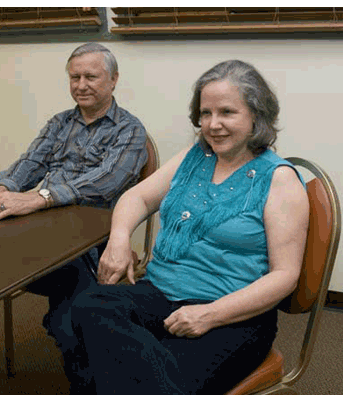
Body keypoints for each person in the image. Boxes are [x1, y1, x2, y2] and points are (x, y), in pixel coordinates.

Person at [45, 60, 310, 395]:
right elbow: (137, 198)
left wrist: (209, 315)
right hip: (161, 292)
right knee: (88, 305)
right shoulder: (195, 156)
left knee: (100, 351)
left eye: (227, 112)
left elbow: (285, 276)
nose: (213, 125)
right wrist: (120, 239)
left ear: (256, 116)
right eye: (205, 113)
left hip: (231, 313)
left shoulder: (279, 180)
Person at [0, 43, 147, 395]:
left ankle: (87, 384)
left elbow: (105, 181)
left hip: (92, 242)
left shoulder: (129, 130)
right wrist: (4, 187)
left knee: (71, 321)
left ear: (113, 80)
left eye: (91, 76)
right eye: (74, 77)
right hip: (40, 228)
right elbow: (31, 163)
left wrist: (39, 198)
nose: (81, 84)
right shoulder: (60, 122)